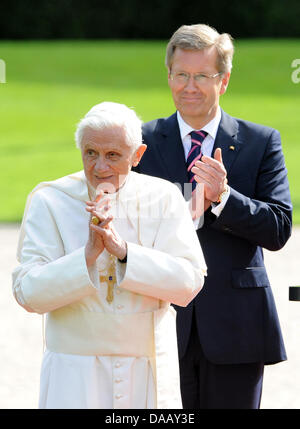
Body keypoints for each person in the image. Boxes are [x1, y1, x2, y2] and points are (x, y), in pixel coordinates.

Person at [135, 24, 293, 409]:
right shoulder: (141, 141)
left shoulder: (261, 142)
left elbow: (278, 228)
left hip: (237, 326)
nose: (189, 87)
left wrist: (223, 197)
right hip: (159, 323)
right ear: (169, 76)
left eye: (202, 76)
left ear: (223, 81)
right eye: (181, 75)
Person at [12, 101, 207, 409]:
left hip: (147, 368)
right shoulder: (49, 200)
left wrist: (125, 253)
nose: (100, 167)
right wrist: (87, 256)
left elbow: (190, 282)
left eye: (113, 155)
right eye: (91, 153)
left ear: (138, 155)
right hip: (74, 374)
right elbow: (28, 293)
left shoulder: (165, 198)